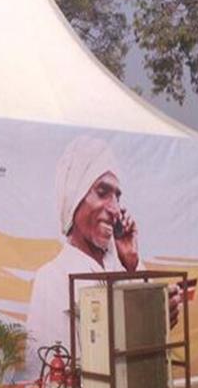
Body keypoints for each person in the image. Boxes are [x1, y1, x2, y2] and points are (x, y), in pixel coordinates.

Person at [29, 136, 180, 345]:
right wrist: (145, 322)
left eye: (117, 197)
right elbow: (57, 359)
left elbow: (149, 345)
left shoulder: (124, 268)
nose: (115, 209)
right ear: (74, 199)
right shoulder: (52, 278)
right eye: (102, 193)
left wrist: (131, 263)